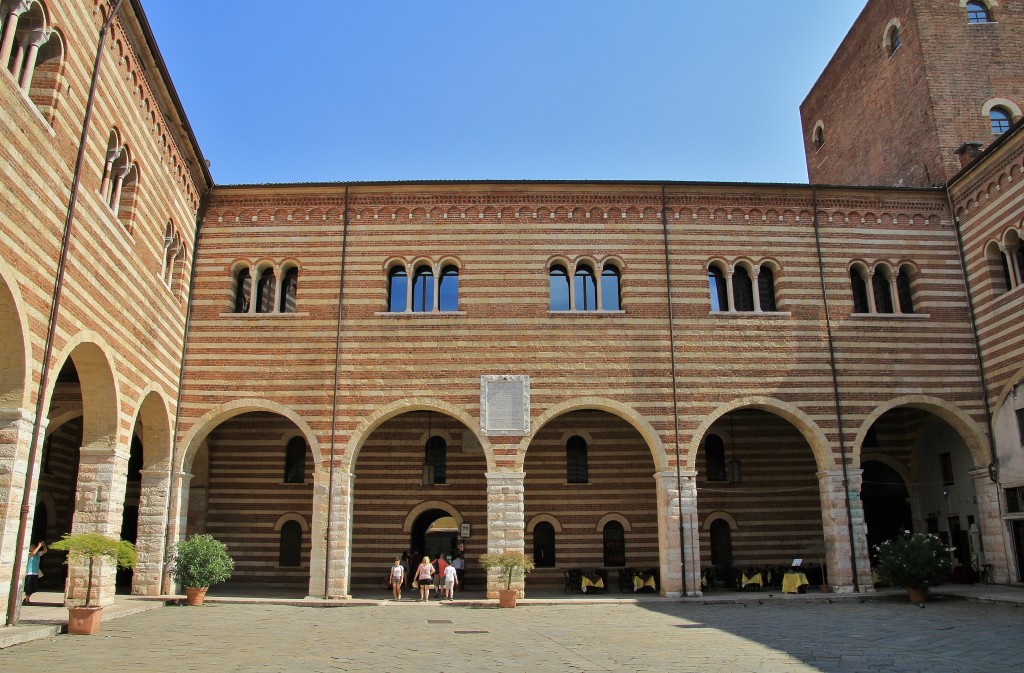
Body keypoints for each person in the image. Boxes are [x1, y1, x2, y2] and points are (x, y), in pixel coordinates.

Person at [23, 539, 47, 605]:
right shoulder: (29, 554)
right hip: (29, 573)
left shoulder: (38, 554)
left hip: (35, 573)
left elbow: (45, 551)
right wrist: (39, 546)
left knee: (34, 588)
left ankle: (27, 598)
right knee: (29, 587)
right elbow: (33, 553)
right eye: (32, 547)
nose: (33, 548)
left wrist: (43, 545)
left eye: (34, 547)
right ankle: (27, 600)